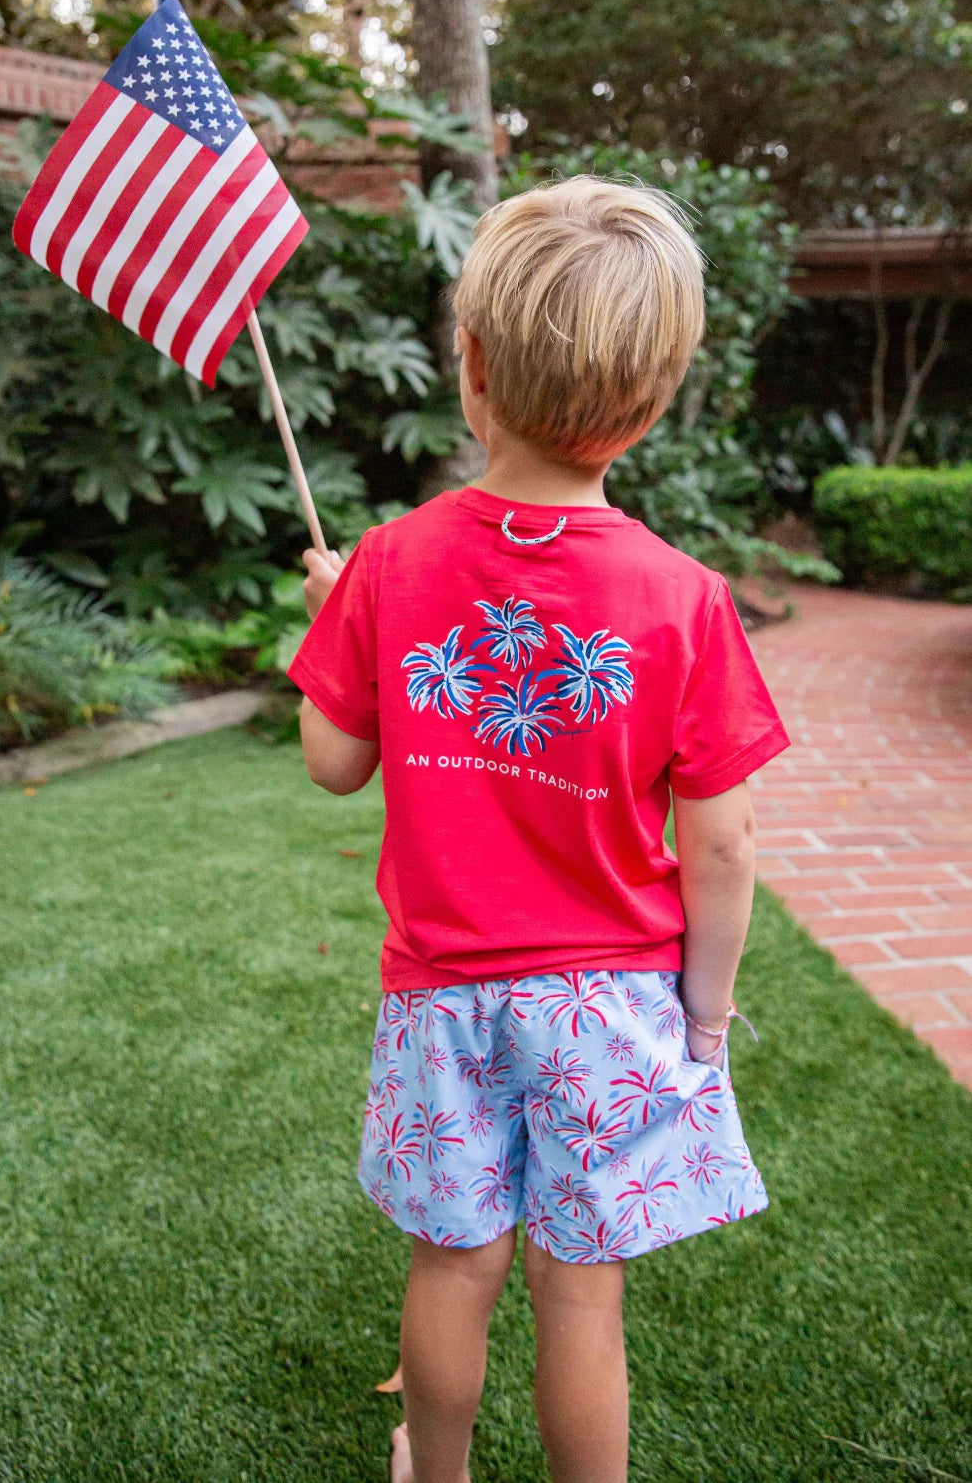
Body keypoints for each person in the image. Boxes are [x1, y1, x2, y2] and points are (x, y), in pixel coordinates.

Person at [287, 176, 789, 1483]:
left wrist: (335, 612)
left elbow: (335, 762)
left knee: (453, 1267)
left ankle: (436, 1473)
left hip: (444, 998)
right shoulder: (682, 601)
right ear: (655, 395)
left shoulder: (390, 565)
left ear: (471, 367)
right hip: (613, 1008)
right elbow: (721, 848)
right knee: (580, 1299)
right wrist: (706, 1013)